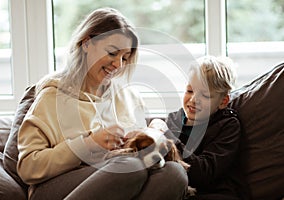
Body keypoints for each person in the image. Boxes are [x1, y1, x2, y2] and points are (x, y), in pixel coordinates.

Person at [17, 7, 188, 200]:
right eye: (113, 53)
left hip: (122, 178)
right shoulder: (52, 97)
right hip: (56, 187)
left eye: (125, 57)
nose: (119, 65)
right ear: (87, 43)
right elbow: (28, 168)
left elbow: (143, 158)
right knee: (130, 167)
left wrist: (152, 135)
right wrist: (89, 143)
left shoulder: (128, 97)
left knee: (174, 174)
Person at [165, 56, 249, 200]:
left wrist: (168, 140)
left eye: (204, 95)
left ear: (223, 101)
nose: (193, 100)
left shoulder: (228, 126)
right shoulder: (174, 120)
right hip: (181, 190)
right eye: (190, 91)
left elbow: (204, 173)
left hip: (217, 193)